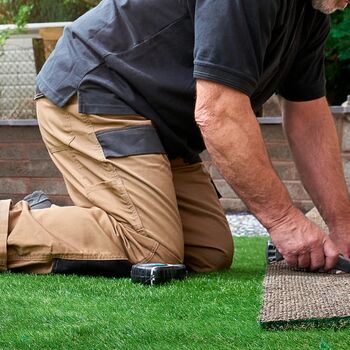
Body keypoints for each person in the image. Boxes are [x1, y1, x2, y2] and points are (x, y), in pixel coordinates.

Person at [0, 0, 349, 276]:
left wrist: (343, 227)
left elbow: (308, 117)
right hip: (97, 92)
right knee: (152, 247)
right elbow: (218, 112)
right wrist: (285, 222)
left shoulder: (311, 14)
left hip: (161, 127)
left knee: (209, 251)